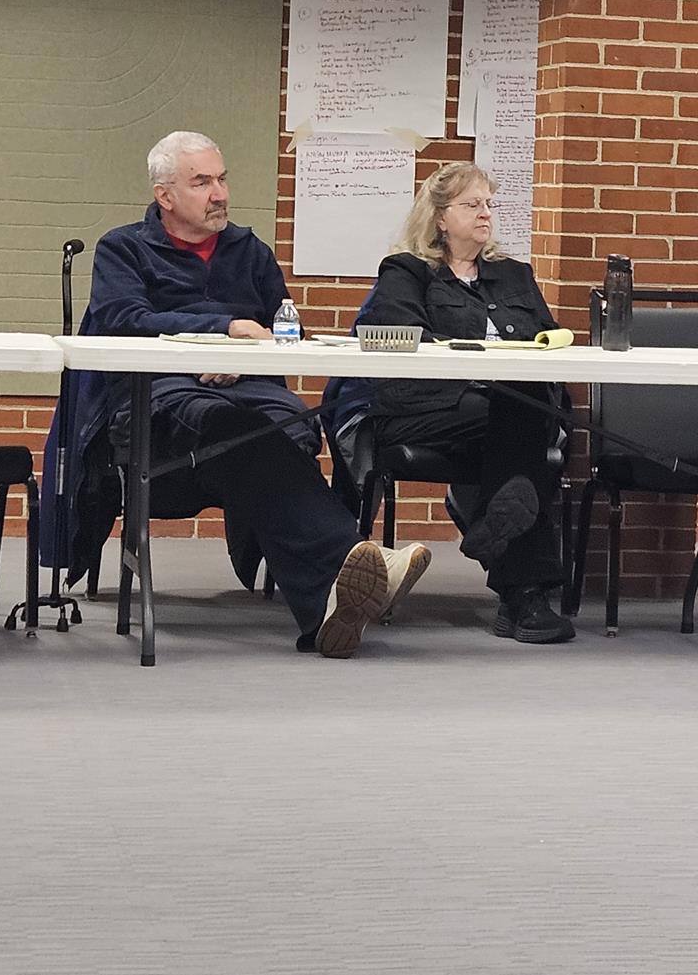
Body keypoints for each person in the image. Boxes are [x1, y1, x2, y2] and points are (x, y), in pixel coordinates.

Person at [74, 130, 429, 658]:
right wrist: (221, 333)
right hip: (160, 404)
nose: (219, 193)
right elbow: (124, 321)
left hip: (249, 389)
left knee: (283, 425)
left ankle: (330, 605)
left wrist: (242, 358)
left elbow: (282, 326)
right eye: (202, 182)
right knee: (240, 431)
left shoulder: (250, 250)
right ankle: (350, 557)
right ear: (165, 195)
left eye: (222, 178)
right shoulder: (122, 249)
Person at [330, 162, 574, 644]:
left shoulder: (514, 275)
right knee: (521, 419)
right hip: (423, 409)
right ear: (440, 218)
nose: (486, 214)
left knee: (521, 409)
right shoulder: (406, 272)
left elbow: (549, 341)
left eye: (489, 204)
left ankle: (498, 542)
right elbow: (399, 341)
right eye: (472, 205)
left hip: (501, 413)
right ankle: (523, 593)